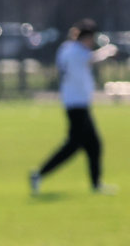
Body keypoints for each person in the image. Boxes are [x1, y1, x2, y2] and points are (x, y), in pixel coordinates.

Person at [30, 22, 117, 196]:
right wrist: (108, 51)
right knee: (73, 145)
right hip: (77, 104)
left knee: (93, 144)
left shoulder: (66, 49)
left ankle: (96, 185)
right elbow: (92, 58)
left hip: (75, 102)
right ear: (86, 38)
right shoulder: (78, 51)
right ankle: (39, 174)